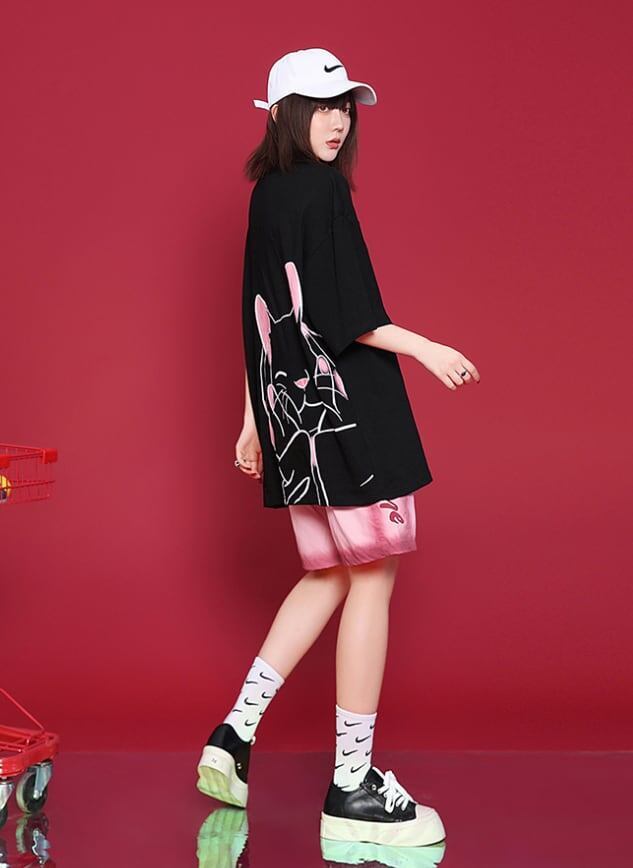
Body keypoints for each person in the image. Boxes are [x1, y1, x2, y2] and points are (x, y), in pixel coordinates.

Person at [196, 47, 480, 848]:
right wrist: (426, 347)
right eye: (322, 106)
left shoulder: (266, 195)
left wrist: (253, 419)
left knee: (327, 574)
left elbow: (258, 317)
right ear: (286, 114)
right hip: (348, 418)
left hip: (292, 423)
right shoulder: (322, 191)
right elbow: (346, 315)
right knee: (372, 579)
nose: (339, 121)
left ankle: (234, 733)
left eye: (345, 106)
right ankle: (351, 785)